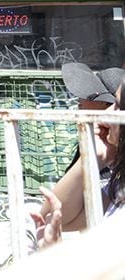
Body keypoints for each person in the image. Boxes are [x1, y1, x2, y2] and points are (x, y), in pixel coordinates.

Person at [42, 75, 125, 233]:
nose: (107, 113)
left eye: (117, 105)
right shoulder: (120, 188)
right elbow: (50, 219)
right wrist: (93, 157)